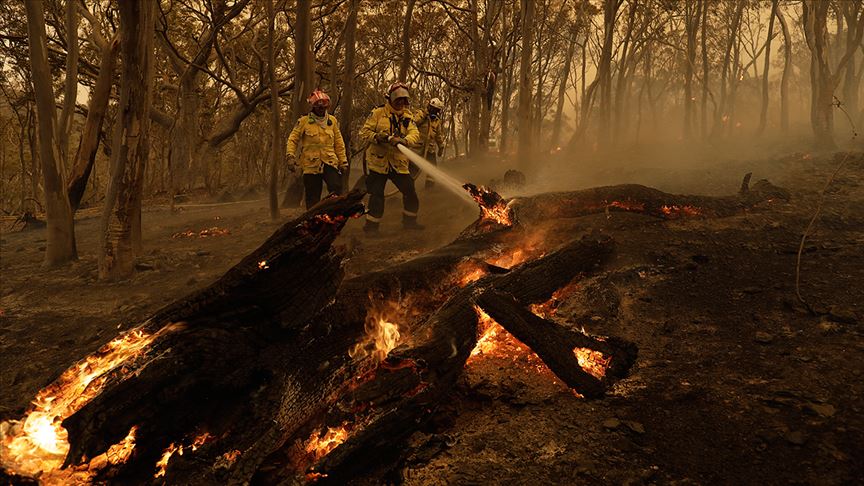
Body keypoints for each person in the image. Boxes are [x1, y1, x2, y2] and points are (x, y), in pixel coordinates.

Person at [359, 82, 422, 232]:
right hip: (378, 162)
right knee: (377, 196)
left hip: (398, 163)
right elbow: (364, 132)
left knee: (410, 192)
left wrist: (404, 140)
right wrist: (377, 137)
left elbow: (415, 134)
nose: (401, 103)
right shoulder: (377, 113)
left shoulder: (408, 116)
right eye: (398, 100)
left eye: (404, 100)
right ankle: (371, 228)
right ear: (390, 99)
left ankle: (410, 223)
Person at [286, 89, 347, 209]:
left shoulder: (332, 121)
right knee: (312, 197)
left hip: (329, 162)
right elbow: (292, 139)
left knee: (336, 187)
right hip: (310, 165)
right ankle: (313, 222)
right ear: (313, 106)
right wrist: (290, 156)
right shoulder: (304, 121)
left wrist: (343, 161)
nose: (321, 109)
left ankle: (332, 216)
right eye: (318, 106)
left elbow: (339, 143)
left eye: (324, 106)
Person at [413, 97, 446, 188]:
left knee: (432, 169)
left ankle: (429, 189)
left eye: (437, 110)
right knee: (413, 168)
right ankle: (408, 188)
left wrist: (441, 146)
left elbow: (438, 135)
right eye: (434, 110)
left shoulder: (436, 121)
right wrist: (424, 116)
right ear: (429, 107)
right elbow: (413, 123)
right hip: (418, 148)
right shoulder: (420, 113)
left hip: (430, 149)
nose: (435, 112)